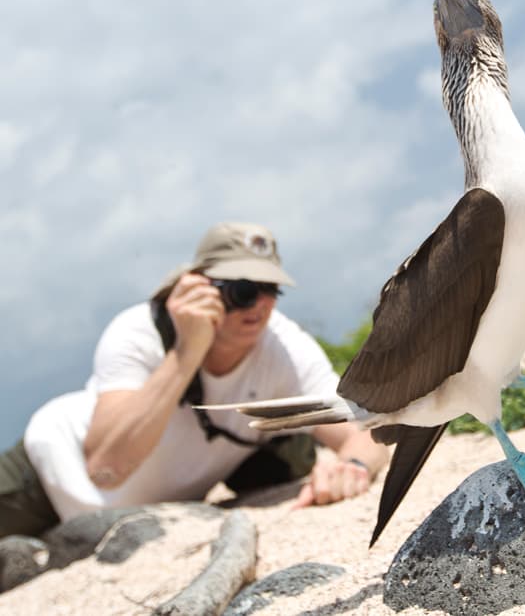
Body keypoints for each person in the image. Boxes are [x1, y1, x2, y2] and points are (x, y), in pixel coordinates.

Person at [0, 222, 387, 539]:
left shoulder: (284, 347)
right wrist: (187, 353)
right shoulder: (140, 331)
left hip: (130, 521)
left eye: (271, 288)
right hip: (46, 476)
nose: (260, 304)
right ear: (200, 286)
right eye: (243, 289)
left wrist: (352, 466)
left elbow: (367, 432)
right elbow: (105, 468)